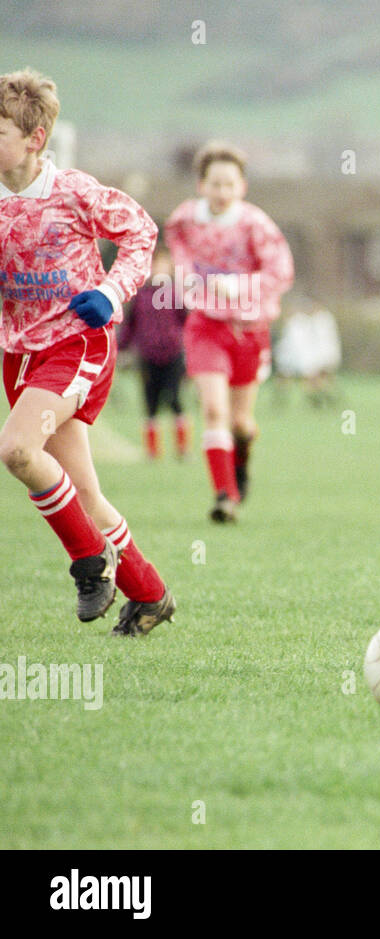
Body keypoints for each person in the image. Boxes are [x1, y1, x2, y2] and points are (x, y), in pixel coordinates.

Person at [0, 68, 175, 635]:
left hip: (76, 347)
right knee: (82, 493)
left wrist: (109, 290)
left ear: (35, 138)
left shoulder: (74, 191)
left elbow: (141, 232)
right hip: (20, 356)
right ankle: (149, 594)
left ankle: (87, 565)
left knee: (17, 450)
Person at [165, 141, 294, 522]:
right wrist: (187, 280)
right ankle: (225, 496)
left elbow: (281, 273)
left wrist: (241, 287)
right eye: (214, 183)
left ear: (242, 187)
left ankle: (241, 461)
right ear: (201, 185)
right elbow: (181, 254)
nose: (222, 192)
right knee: (213, 409)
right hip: (206, 325)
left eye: (229, 184)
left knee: (241, 423)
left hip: (249, 329)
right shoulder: (185, 220)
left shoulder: (255, 224)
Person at [118, 245, 189, 460]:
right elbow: (130, 325)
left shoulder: (176, 294)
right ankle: (152, 451)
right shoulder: (141, 296)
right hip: (147, 355)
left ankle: (183, 449)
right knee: (150, 404)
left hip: (173, 354)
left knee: (175, 399)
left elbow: (188, 322)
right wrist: (120, 349)